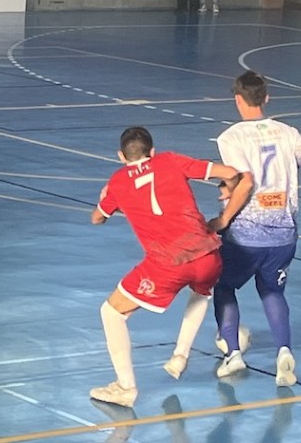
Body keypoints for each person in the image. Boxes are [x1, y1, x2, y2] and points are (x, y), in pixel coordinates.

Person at [212, 71, 301, 386]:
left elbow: (243, 181)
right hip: (284, 233)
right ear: (266, 98)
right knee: (272, 290)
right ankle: (284, 351)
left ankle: (233, 354)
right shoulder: (289, 133)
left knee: (224, 287)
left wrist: (223, 220)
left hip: (245, 234)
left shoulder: (231, 138)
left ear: (237, 100)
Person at [89, 126, 246, 408]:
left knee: (111, 311)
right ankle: (180, 355)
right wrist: (231, 192)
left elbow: (97, 218)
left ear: (121, 156)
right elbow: (229, 171)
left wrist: (108, 199)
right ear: (152, 152)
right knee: (201, 291)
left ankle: (125, 387)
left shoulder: (118, 180)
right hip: (208, 253)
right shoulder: (170, 160)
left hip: (168, 262)